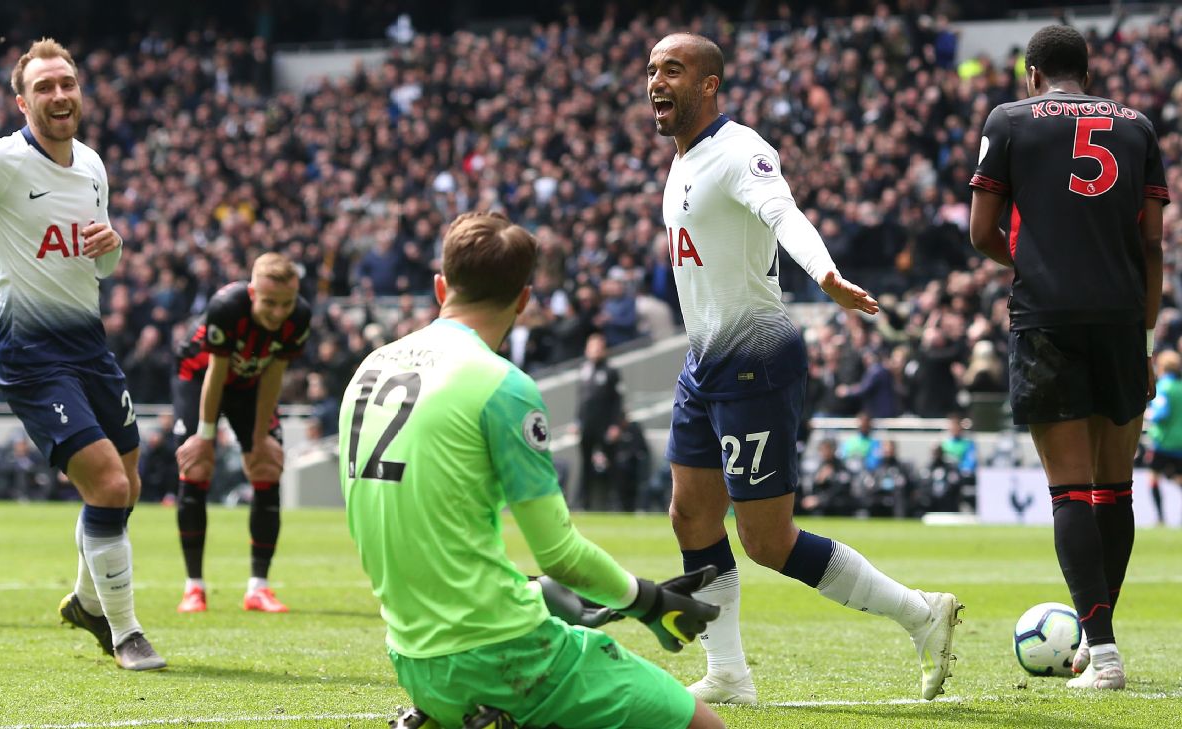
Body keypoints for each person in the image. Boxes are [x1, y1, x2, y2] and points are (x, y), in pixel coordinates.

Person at [647, 32, 961, 704]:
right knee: (690, 515)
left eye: (672, 69)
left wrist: (824, 273)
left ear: (709, 84)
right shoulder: (683, 159)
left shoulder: (741, 151)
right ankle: (728, 671)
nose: (655, 81)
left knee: (766, 539)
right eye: (650, 70)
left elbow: (783, 214)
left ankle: (920, 612)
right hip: (705, 360)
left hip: (756, 359)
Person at [339, 211, 725, 729]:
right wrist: (649, 601)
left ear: (439, 286)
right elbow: (559, 552)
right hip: (503, 652)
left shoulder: (369, 370)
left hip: (413, 659)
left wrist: (532, 590)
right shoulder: (502, 386)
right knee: (704, 725)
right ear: (524, 300)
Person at [0, 38, 164, 670]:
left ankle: (86, 601)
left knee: (126, 486)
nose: (58, 95)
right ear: (23, 101)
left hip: (90, 345)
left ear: (80, 92)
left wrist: (113, 244)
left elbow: (103, 261)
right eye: (43, 87)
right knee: (104, 482)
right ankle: (125, 632)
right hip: (32, 351)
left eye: (66, 83)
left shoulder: (94, 165)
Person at [969, 24, 1168, 691]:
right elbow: (1153, 249)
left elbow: (981, 231)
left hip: (1048, 318)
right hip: (1120, 318)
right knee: (1115, 487)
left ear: (1032, 74)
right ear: (1087, 71)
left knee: (1070, 488)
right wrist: (1144, 339)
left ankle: (1103, 650)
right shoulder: (1137, 126)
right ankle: (1098, 640)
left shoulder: (1010, 120)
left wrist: (1034, 266)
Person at [171, 253, 311, 614]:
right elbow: (215, 373)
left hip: (250, 384)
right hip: (199, 379)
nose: (278, 313)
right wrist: (204, 434)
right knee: (197, 466)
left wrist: (261, 436)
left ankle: (258, 588)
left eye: (286, 303)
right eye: (269, 303)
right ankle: (194, 587)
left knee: (266, 466)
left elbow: (274, 374)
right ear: (252, 293)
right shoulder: (226, 307)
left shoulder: (300, 317)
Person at [574, 332, 624, 510]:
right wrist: (577, 422)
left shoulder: (610, 371)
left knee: (611, 463)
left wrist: (616, 425)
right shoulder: (584, 370)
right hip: (588, 425)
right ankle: (583, 503)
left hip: (605, 425)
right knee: (585, 464)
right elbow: (581, 401)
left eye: (598, 347)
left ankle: (614, 502)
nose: (594, 351)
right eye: (591, 347)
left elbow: (618, 400)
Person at [1144, 349, 1182, 525]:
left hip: (1162, 442)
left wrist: (1148, 414)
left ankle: (1160, 518)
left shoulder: (1164, 387)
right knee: (1178, 477)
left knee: (1153, 478)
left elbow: (1161, 413)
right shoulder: (1180, 387)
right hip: (1179, 443)